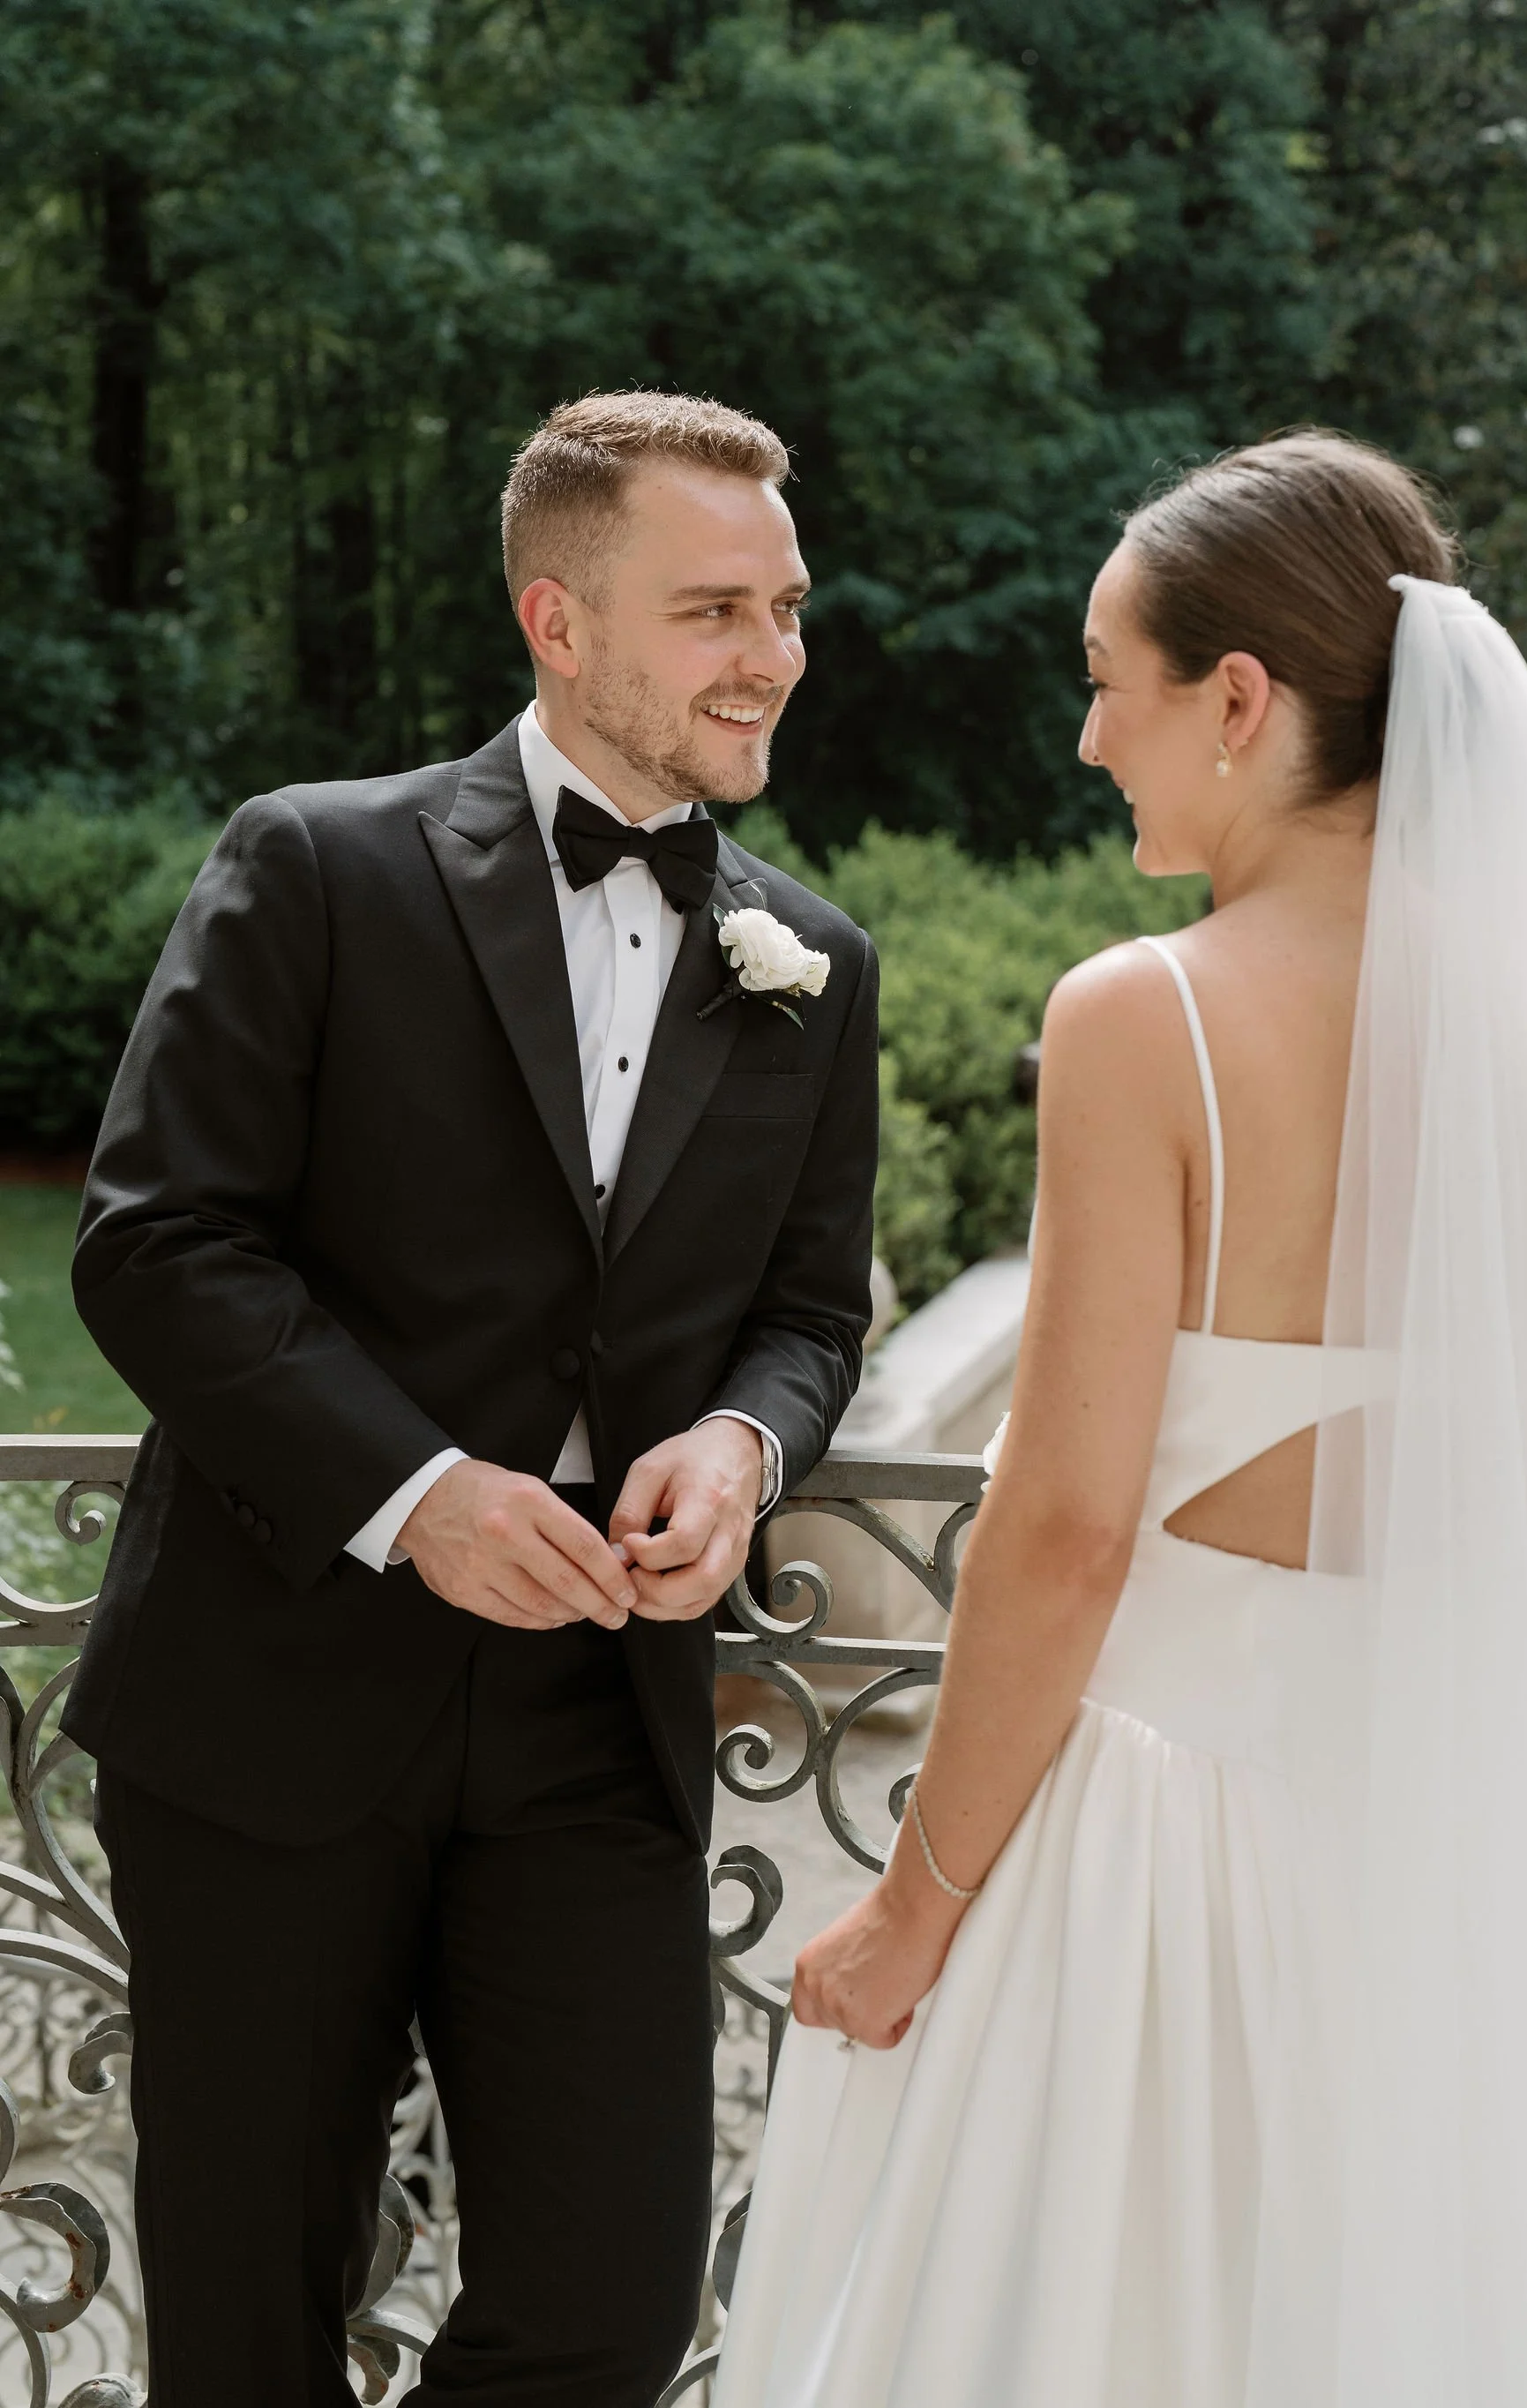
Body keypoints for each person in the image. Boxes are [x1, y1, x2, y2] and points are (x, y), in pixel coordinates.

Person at [713, 432, 1527, 2406]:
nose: (1086, 739)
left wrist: (912, 1907)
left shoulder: (1146, 1013)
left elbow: (1066, 1530)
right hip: (1501, 1844)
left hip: (1172, 1852)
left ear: (1236, 698)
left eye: (1105, 680)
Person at [66, 389, 880, 2407]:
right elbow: (159, 1240)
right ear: (559, 619)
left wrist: (745, 1441)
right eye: (713, 609)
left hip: (599, 1713)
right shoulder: (316, 862)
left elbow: (806, 1312)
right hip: (272, 1690)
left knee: (609, 2307)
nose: (772, 654)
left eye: (785, 606)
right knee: (245, 2324)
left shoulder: (812, 959)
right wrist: (417, 1487)